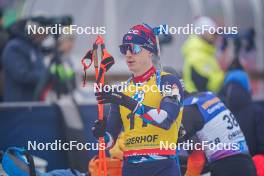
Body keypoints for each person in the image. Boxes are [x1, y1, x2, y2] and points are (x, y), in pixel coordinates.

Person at [92, 24, 184, 176]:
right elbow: (109, 142)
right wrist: (100, 133)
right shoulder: (123, 90)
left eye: (134, 49)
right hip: (131, 168)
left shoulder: (168, 81)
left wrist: (128, 102)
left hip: (163, 166)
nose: (128, 54)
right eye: (124, 49)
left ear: (149, 51)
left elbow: (165, 120)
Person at [180, 91, 256, 176]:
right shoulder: (208, 95)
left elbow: (197, 158)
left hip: (226, 167)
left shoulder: (185, 110)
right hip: (247, 163)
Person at [2, 17, 48, 102]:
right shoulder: (14, 47)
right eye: (44, 34)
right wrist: (47, 77)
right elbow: (22, 75)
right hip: (18, 105)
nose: (45, 38)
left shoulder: (36, 49)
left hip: (33, 104)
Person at [181, 16, 224, 93]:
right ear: (203, 33)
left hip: (202, 99)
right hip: (198, 101)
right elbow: (205, 85)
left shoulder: (206, 53)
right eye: (212, 32)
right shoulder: (196, 55)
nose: (215, 36)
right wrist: (225, 77)